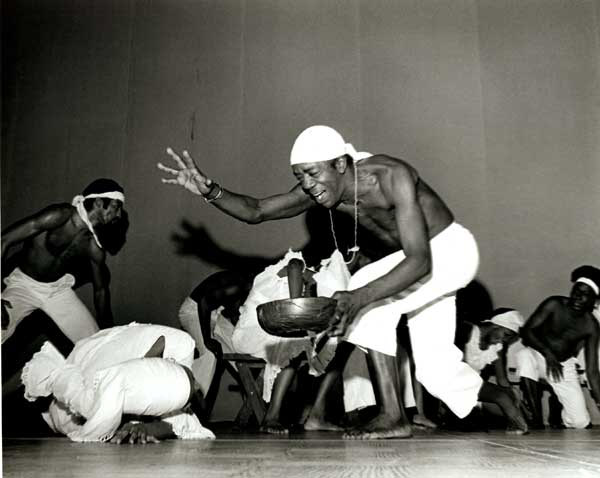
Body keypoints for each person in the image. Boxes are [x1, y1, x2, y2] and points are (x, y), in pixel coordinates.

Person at [158, 124, 527, 438]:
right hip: (418, 262)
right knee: (435, 372)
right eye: (299, 176)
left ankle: (393, 415)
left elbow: (419, 260)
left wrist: (358, 298)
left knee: (364, 296)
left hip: (449, 251)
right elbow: (257, 210)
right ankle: (504, 399)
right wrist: (209, 190)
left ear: (340, 163)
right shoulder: (320, 186)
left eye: (313, 174)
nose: (308, 186)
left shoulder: (390, 175)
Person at [21, 323, 215, 443]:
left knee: (75, 408)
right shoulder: (180, 352)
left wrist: (142, 426)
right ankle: (44, 378)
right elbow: (174, 423)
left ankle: (44, 382)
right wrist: (136, 423)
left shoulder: (176, 377)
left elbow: (174, 425)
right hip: (106, 357)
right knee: (79, 407)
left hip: (106, 356)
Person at [1, 178, 128, 344]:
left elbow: (101, 291)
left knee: (96, 345)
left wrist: (109, 333)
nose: (118, 214)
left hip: (57, 290)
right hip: (23, 285)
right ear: (98, 202)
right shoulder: (59, 215)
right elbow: (4, 240)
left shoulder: (93, 247)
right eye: (116, 207)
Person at [516, 265, 600, 429]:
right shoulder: (554, 304)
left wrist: (599, 401)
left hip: (563, 367)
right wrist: (548, 353)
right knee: (524, 356)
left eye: (585, 295)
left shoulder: (591, 326)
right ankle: (535, 418)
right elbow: (527, 331)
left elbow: (592, 371)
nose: (577, 297)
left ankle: (558, 405)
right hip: (539, 356)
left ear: (593, 301)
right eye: (576, 291)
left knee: (580, 422)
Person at [178, 270, 255, 419]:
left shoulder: (248, 289)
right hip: (194, 311)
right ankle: (191, 414)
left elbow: (234, 313)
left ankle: (252, 409)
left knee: (241, 352)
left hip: (214, 314)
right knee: (209, 354)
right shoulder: (238, 284)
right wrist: (207, 340)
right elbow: (204, 302)